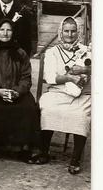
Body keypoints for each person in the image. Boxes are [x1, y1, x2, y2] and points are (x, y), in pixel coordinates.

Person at [0, 19, 41, 162]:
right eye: (2, 29)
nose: (5, 33)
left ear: (13, 33)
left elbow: (26, 78)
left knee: (28, 107)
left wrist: (16, 92)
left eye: (9, 30)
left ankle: (23, 148)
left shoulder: (21, 53)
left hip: (15, 92)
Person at [38, 17, 91, 174]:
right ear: (60, 32)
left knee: (81, 116)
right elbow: (50, 78)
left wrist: (85, 70)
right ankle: (44, 152)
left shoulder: (86, 51)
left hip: (81, 95)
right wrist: (69, 77)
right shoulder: (52, 52)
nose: (70, 34)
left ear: (78, 32)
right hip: (58, 92)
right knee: (48, 110)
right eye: (66, 31)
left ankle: (75, 158)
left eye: (73, 31)